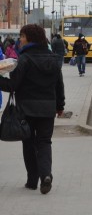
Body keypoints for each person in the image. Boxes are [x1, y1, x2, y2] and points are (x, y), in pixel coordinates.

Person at [0, 24, 65, 194]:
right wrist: (60, 106)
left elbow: (12, 85)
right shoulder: (53, 58)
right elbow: (59, 85)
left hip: (27, 110)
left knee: (28, 143)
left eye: (22, 37)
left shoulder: (24, 59)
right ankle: (46, 176)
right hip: (47, 109)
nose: (20, 40)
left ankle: (32, 181)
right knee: (44, 142)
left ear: (30, 38)